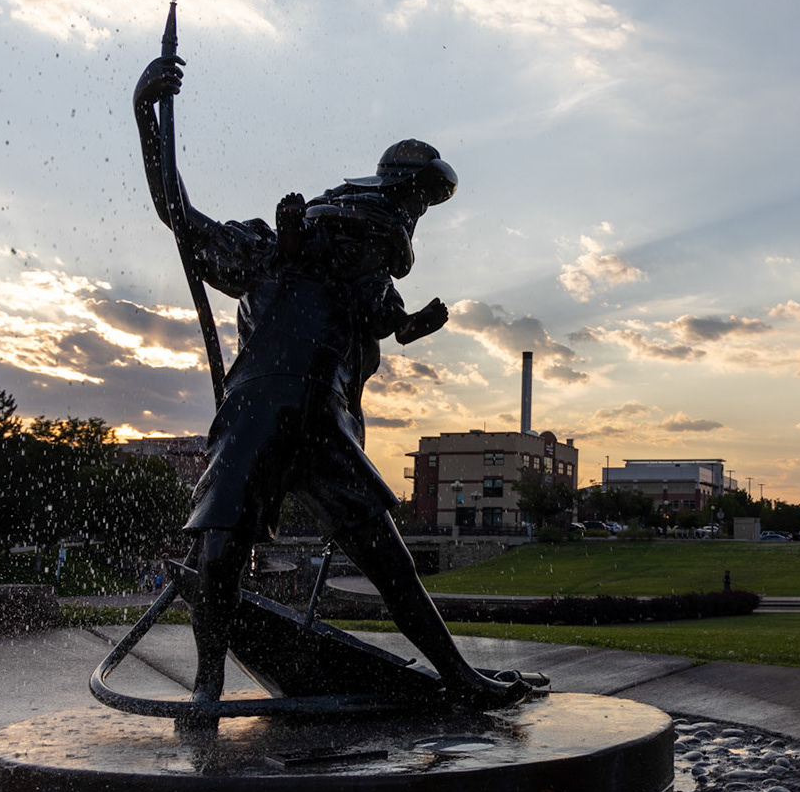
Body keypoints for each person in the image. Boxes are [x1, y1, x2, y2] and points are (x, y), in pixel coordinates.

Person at [133, 50, 526, 711]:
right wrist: (145, 112)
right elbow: (178, 210)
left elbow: (385, 321)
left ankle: (459, 677)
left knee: (384, 554)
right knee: (220, 542)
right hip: (259, 409)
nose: (377, 251)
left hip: (324, 424)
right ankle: (208, 684)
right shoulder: (265, 252)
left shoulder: (363, 285)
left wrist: (413, 321)